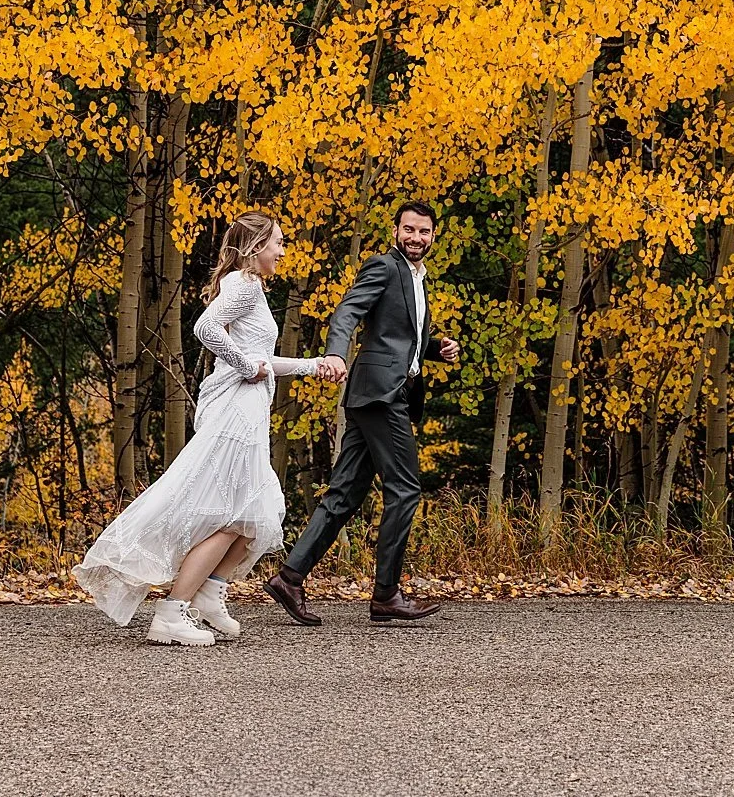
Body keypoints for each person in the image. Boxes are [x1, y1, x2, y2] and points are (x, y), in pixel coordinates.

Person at [73, 212, 345, 645]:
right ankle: (172, 612)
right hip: (235, 415)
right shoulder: (243, 283)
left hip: (248, 410)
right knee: (232, 514)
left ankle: (210, 591)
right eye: (277, 242)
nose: (282, 250)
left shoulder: (250, 288)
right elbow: (206, 329)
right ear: (256, 247)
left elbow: (261, 362)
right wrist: (244, 364)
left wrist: (315, 367)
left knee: (260, 510)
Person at [264, 200, 460, 625]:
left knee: (345, 493)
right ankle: (387, 593)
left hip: (384, 392)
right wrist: (335, 353)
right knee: (405, 489)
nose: (416, 238)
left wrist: (435, 348)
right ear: (395, 232)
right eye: (409, 230)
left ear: (433, 236)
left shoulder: (417, 278)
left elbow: (398, 336)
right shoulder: (384, 266)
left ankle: (290, 576)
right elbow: (348, 311)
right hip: (380, 395)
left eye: (424, 232)